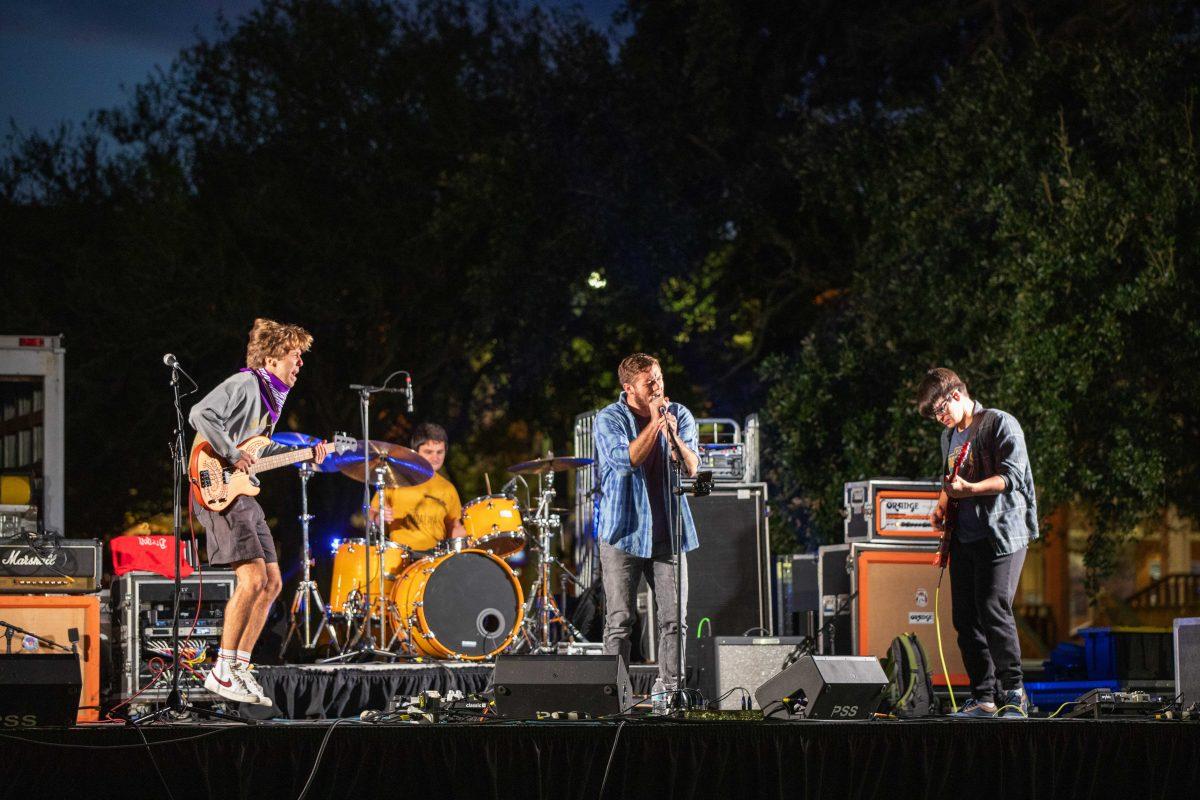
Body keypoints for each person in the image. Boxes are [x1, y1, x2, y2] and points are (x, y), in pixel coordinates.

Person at [190, 318, 328, 706]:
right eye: (294, 356)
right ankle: (221, 669)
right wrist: (233, 454)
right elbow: (200, 414)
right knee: (251, 579)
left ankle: (239, 665)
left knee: (271, 583)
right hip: (215, 487)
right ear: (270, 359)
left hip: (240, 491)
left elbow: (256, 453)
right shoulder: (245, 383)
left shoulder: (271, 399)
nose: (300, 363)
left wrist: (307, 455)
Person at [916, 367, 1039, 718]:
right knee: (965, 618)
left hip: (1001, 534)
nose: (941, 419)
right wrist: (941, 506)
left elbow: (1012, 477)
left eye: (941, 410)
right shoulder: (950, 436)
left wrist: (971, 490)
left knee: (993, 608)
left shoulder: (999, 423)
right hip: (964, 537)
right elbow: (950, 477)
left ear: (956, 395)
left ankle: (1014, 694)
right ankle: (984, 697)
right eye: (935, 416)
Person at [593, 353, 700, 696]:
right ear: (629, 388)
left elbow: (693, 468)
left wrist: (672, 434)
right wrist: (655, 422)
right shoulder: (609, 418)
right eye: (648, 382)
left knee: (674, 621)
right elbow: (626, 461)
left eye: (659, 378)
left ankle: (670, 692)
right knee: (620, 621)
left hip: (668, 531)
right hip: (622, 532)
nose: (657, 387)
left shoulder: (679, 414)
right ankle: (615, 693)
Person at [373, 422, 467, 552]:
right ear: (415, 453)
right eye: (429, 452)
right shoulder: (395, 480)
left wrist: (476, 533)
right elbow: (371, 514)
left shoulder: (448, 488)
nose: (435, 457)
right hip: (400, 555)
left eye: (440, 452)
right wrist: (379, 517)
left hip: (435, 559)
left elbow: (454, 526)